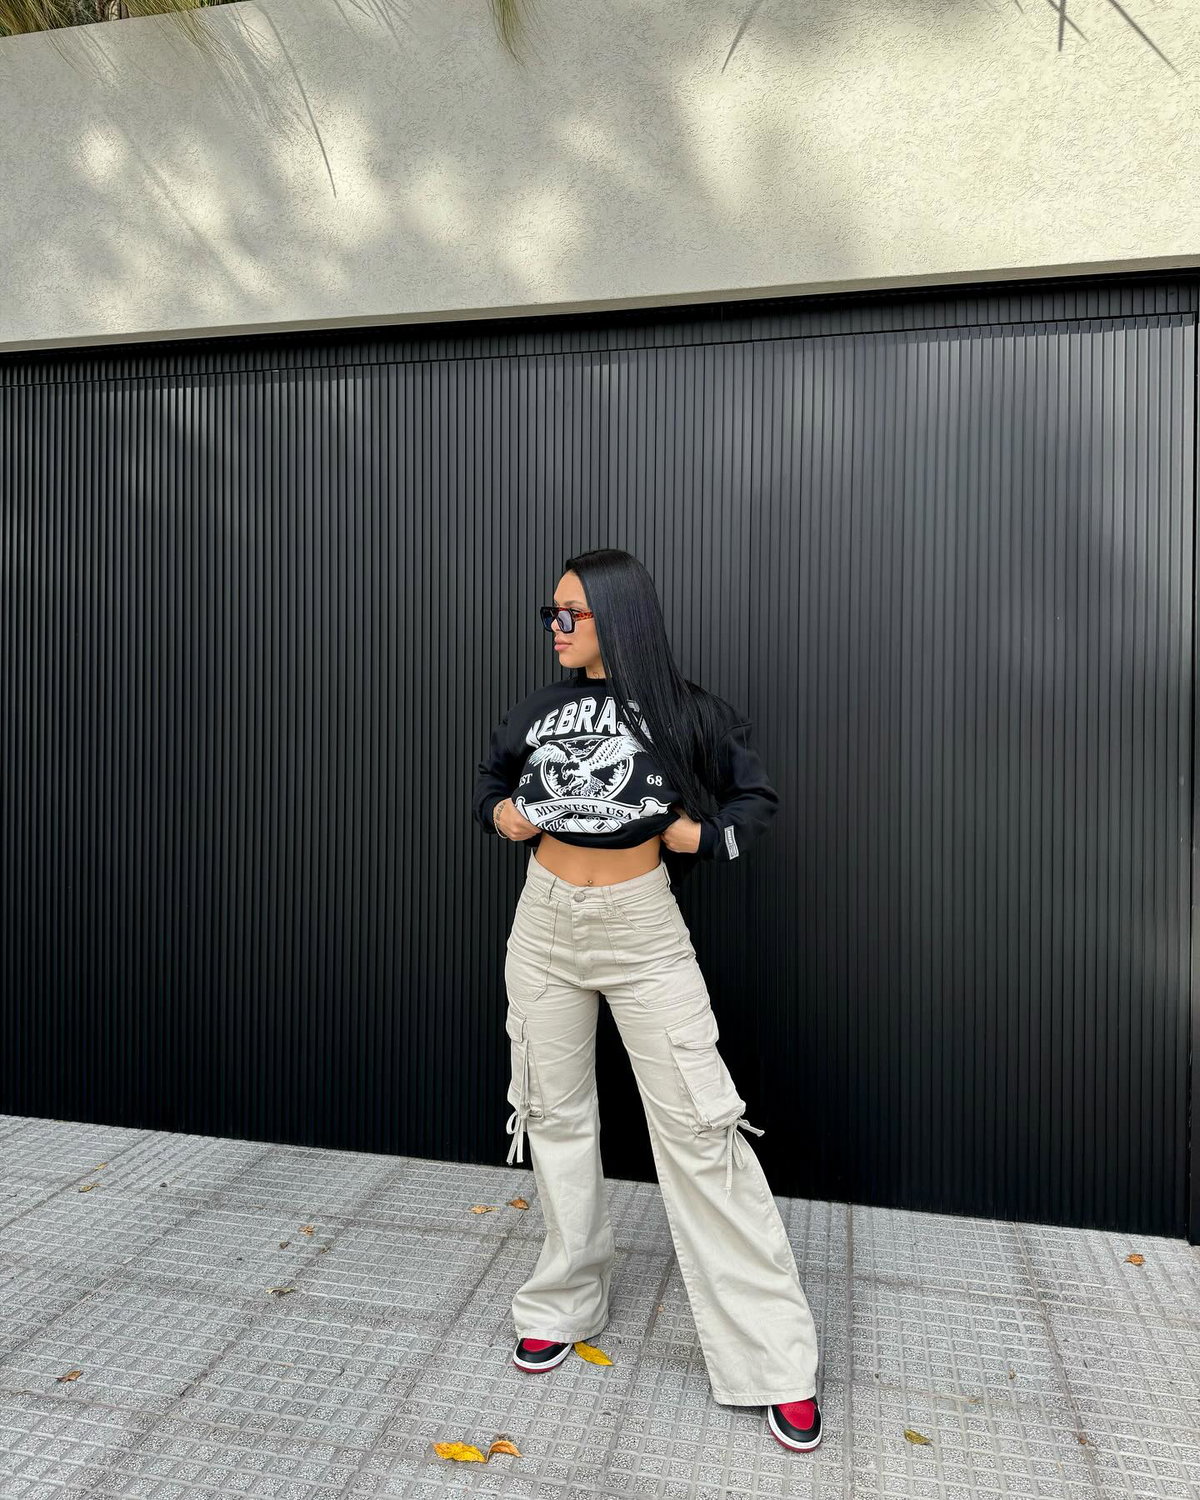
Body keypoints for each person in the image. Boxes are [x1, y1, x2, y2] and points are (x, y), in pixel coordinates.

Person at [471, 547, 823, 1455]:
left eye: (571, 615)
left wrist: (701, 836)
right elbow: (493, 784)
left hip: (641, 930)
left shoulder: (689, 711)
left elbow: (754, 803)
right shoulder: (537, 708)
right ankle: (563, 1301)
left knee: (703, 1126)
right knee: (552, 1115)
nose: (555, 629)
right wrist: (503, 815)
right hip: (544, 922)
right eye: (550, 614)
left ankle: (772, 1359)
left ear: (618, 616)